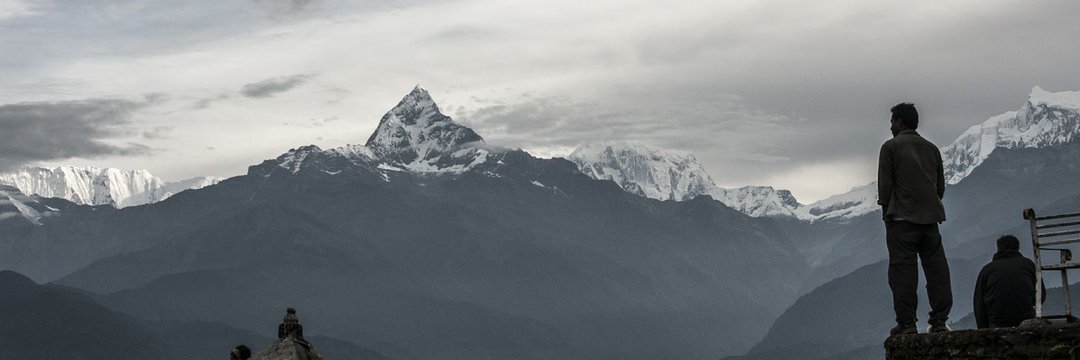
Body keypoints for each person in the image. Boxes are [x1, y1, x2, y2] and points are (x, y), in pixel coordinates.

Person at [878, 102, 953, 336]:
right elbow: (940, 188)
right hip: (930, 222)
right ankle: (939, 320)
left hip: (901, 222)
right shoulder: (932, 149)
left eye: (892, 121)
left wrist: (887, 215)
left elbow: (885, 187)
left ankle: (907, 323)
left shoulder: (890, 148)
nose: (890, 126)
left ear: (899, 122)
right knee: (937, 270)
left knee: (903, 273)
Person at [974, 235, 1043, 328]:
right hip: (1025, 319)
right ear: (1017, 248)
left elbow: (979, 304)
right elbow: (1040, 296)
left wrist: (982, 330)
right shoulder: (1028, 265)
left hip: (997, 322)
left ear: (998, 248)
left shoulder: (987, 270)